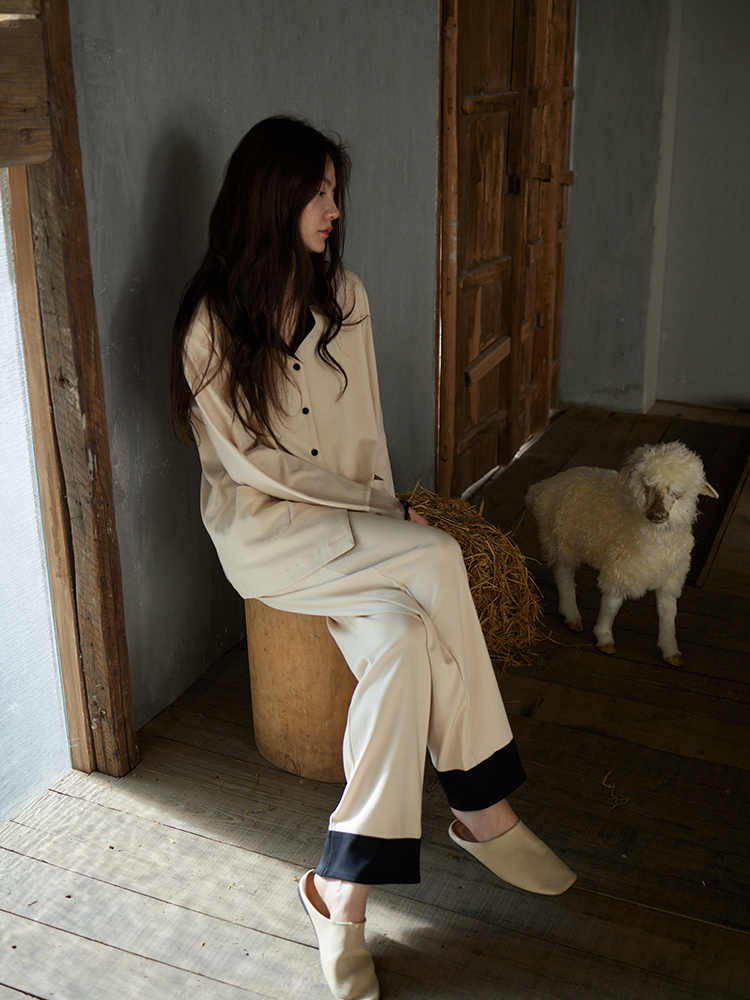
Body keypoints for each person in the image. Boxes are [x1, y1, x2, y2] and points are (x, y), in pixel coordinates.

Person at [171, 115, 575, 1000]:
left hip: (357, 529)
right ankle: (481, 804)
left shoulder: (343, 297)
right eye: (316, 193)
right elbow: (257, 466)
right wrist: (388, 517)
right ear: (270, 198)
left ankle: (339, 891)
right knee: (436, 559)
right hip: (270, 534)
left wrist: (385, 506)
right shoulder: (211, 324)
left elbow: (366, 433)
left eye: (334, 192)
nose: (333, 208)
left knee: (401, 640)